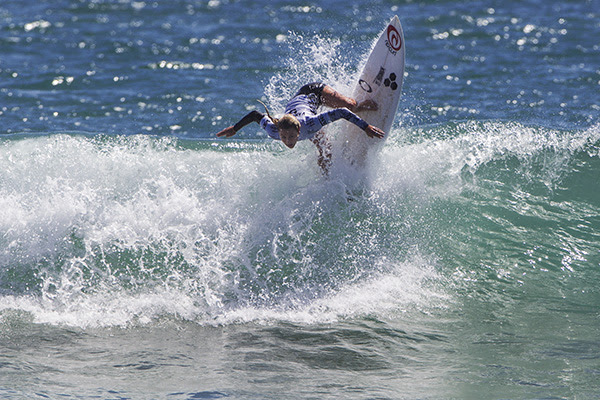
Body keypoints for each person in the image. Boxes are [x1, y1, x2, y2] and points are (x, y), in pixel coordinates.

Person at [215, 83, 385, 173]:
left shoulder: (311, 124)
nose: (287, 142)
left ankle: (361, 105)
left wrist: (366, 127)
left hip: (312, 92)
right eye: (284, 138)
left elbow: (341, 112)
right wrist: (235, 128)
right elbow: (254, 115)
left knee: (350, 105)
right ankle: (329, 182)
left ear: (298, 132)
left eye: (290, 137)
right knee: (326, 153)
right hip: (298, 112)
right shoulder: (274, 130)